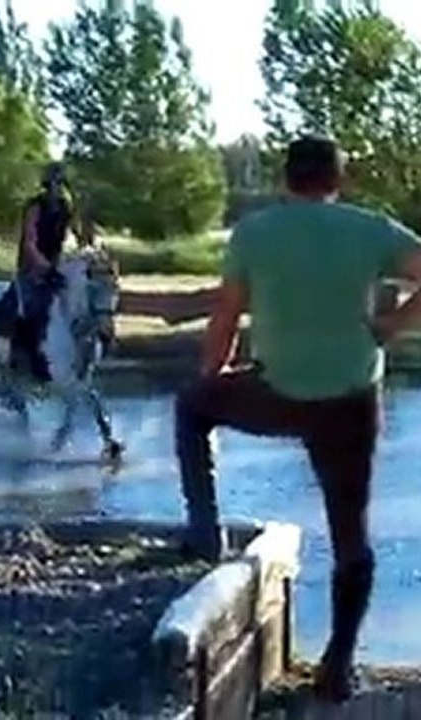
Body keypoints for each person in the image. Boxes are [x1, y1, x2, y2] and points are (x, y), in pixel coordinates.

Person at [173, 134, 421, 703]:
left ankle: (205, 532)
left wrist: (213, 376)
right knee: (351, 532)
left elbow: (226, 318)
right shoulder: (370, 228)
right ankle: (337, 666)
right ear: (339, 180)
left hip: (277, 392)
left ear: (287, 180)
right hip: (350, 400)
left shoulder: (255, 233)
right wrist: (391, 328)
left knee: (191, 407)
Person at [11, 162, 85, 372]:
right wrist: (45, 269)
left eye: (62, 184)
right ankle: (25, 358)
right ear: (47, 185)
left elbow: (78, 236)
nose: (59, 188)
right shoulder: (35, 207)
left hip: (56, 265)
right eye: (55, 183)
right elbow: (29, 244)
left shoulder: (66, 207)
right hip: (32, 267)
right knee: (35, 307)